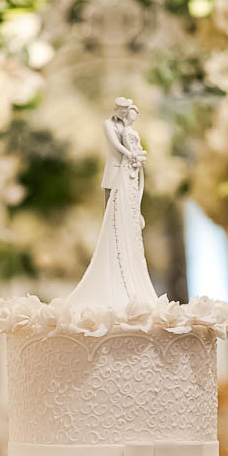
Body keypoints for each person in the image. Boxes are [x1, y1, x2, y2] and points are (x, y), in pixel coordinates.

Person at [69, 98, 158, 308]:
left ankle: (125, 265)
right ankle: (114, 261)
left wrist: (136, 156)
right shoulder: (108, 125)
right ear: (117, 109)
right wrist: (132, 155)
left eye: (127, 111)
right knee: (112, 214)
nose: (124, 114)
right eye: (123, 110)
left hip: (130, 172)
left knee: (127, 213)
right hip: (116, 171)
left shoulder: (128, 127)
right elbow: (115, 145)